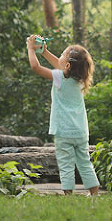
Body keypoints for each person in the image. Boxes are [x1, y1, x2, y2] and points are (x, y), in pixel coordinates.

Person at [27, 36, 99, 196]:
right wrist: (44, 52)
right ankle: (94, 193)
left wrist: (31, 49)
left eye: (61, 55)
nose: (58, 57)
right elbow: (62, 65)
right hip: (80, 132)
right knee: (85, 163)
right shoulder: (80, 79)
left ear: (67, 65)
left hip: (63, 132)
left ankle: (68, 194)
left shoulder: (59, 77)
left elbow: (35, 67)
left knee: (66, 164)